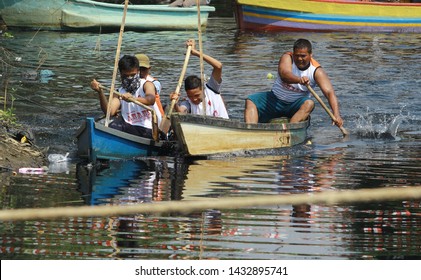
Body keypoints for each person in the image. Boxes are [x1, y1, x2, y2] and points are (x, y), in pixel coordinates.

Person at [244, 38, 344, 128]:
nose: (300, 59)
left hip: (295, 106)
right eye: (297, 55)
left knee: (309, 103)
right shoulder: (287, 58)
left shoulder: (316, 71)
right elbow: (284, 75)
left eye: (303, 56)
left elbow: (329, 93)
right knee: (251, 100)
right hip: (275, 100)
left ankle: (289, 131)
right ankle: (251, 131)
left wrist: (336, 115)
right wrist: (299, 80)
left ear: (310, 55)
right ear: (293, 53)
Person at [90, 55, 158, 139]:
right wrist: (100, 92)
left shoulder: (146, 84)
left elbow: (151, 100)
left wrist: (134, 99)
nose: (130, 78)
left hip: (147, 128)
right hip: (128, 127)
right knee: (111, 126)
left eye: (133, 75)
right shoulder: (119, 92)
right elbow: (109, 112)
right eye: (126, 76)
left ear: (138, 71)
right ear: (121, 74)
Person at [170, 39, 229, 119]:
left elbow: (218, 66)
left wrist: (196, 53)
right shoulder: (187, 102)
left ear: (202, 89)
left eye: (197, 95)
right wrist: (175, 104)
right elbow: (181, 112)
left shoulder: (211, 89)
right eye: (190, 96)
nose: (194, 99)